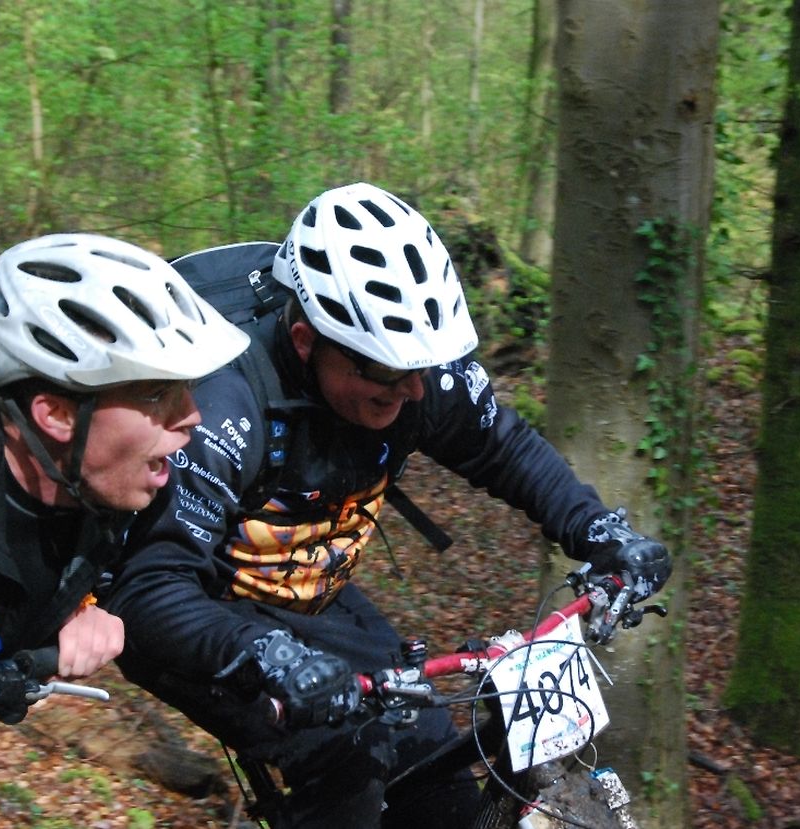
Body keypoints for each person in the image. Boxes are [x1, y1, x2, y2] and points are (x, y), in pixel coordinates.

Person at [104, 182, 672, 828]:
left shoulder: (417, 372)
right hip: (193, 606)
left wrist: (599, 530)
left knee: (432, 763)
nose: (413, 391)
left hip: (309, 589)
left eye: (419, 370)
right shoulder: (220, 403)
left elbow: (502, 447)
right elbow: (148, 589)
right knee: (347, 756)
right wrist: (268, 653)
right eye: (384, 374)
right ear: (304, 341)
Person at [0, 234, 250, 800]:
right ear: (57, 414)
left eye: (187, 390)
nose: (191, 416)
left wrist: (80, 607)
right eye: (157, 394)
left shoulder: (127, 492)